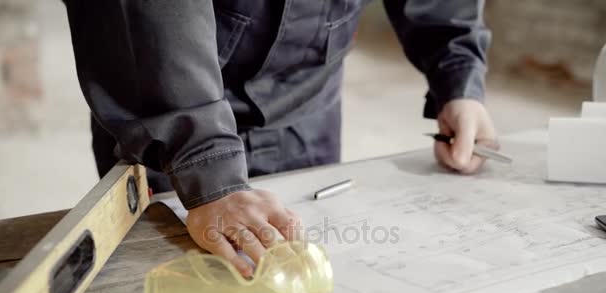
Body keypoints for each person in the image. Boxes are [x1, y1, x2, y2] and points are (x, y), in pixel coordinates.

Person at [63, 0, 495, 277]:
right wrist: (205, 167)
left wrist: (457, 76)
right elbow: (146, 17)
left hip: (308, 107)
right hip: (169, 116)